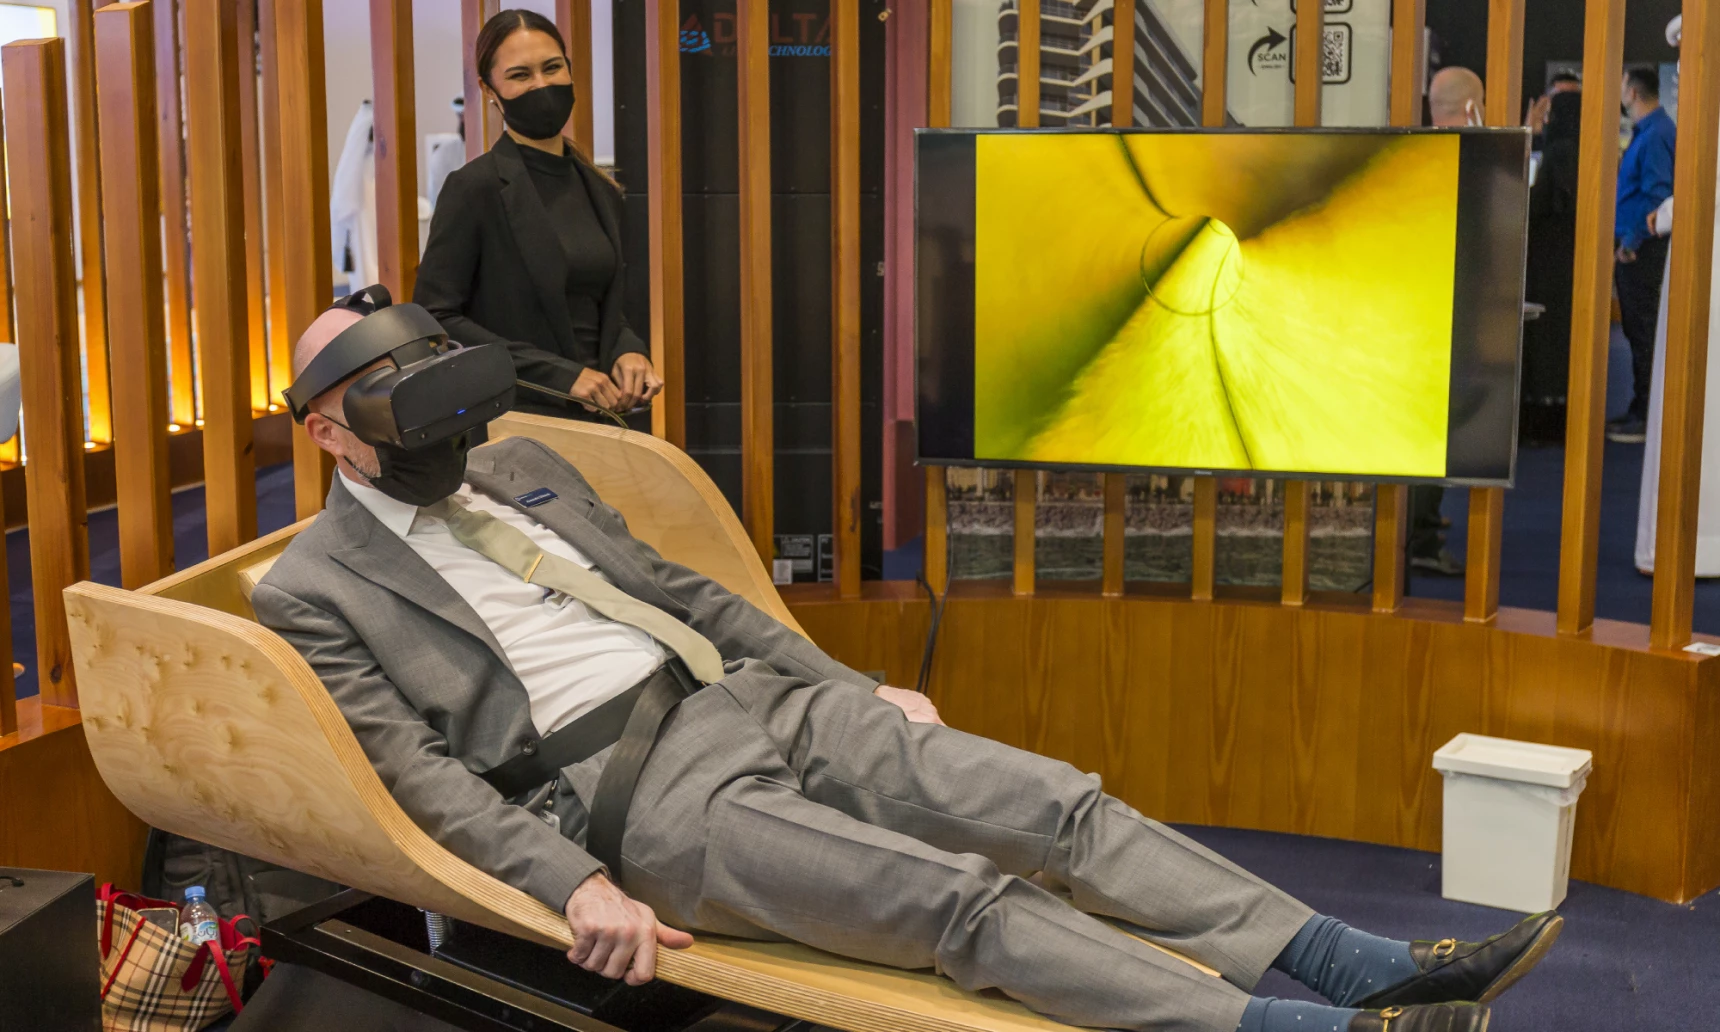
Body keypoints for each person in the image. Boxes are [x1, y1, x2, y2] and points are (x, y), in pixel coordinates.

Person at [251, 296, 1565, 1032]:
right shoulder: (314, 587)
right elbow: (426, 782)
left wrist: (841, 683)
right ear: (326, 434)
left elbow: (678, 589)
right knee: (962, 904)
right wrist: (576, 885)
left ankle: (1358, 965)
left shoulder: (524, 464)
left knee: (1058, 806)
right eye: (392, 401)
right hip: (629, 798)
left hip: (741, 697)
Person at [415, 10, 661, 422]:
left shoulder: (601, 189)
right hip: (518, 422)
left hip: (606, 418)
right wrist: (561, 376)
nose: (542, 85)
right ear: (489, 89)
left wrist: (630, 350)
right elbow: (435, 318)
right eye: (520, 75)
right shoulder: (475, 187)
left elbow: (605, 307)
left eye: (552, 67)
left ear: (569, 69)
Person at [1407, 66, 1488, 576]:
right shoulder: (1467, 160)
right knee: (1433, 433)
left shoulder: (1420, 155)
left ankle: (1426, 519)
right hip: (1443, 322)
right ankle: (1418, 541)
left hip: (1420, 318)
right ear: (1472, 108)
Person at [1608, 66, 1677, 444]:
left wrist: (1631, 242)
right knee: (1637, 332)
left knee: (1644, 332)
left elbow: (1657, 194)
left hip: (1644, 253)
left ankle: (1646, 416)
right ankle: (1641, 408)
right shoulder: (1650, 132)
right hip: (1637, 249)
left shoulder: (1655, 135)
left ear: (1632, 92)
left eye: (1620, 85)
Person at [1521, 89, 1584, 446]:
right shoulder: (1585, 151)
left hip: (1545, 261)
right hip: (1571, 258)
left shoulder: (1558, 153)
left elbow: (1535, 203)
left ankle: (1542, 420)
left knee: (1544, 341)